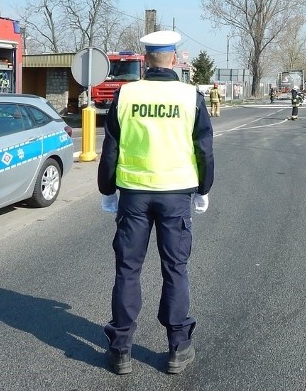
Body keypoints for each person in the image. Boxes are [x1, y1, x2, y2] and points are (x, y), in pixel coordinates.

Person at [97, 30, 215, 376]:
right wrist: (203, 188)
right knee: (175, 269)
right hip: (176, 195)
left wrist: (107, 190)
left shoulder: (127, 95)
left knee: (127, 271)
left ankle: (121, 351)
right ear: (174, 59)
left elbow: (111, 147)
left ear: (146, 60)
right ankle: (178, 349)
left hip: (133, 194)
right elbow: (203, 148)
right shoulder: (190, 96)